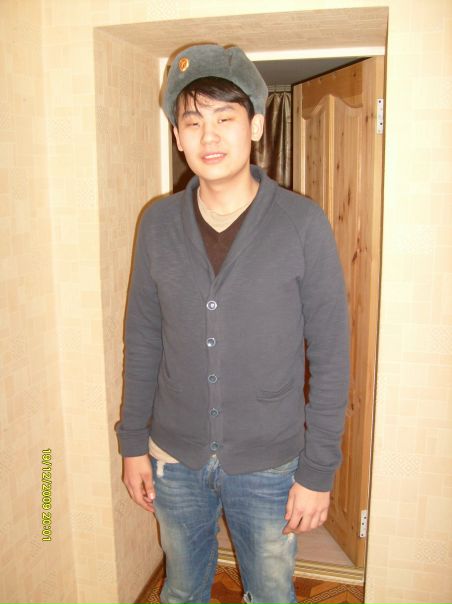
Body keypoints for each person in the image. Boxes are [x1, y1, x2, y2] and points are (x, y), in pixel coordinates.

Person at [116, 43, 350, 604]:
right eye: (193, 121)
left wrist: (317, 471)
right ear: (178, 137)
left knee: (271, 594)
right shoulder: (157, 224)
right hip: (174, 456)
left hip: (271, 461)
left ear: (257, 127)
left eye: (225, 118)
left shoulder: (302, 223)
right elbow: (143, 339)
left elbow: (332, 354)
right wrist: (133, 444)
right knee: (181, 590)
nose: (209, 136)